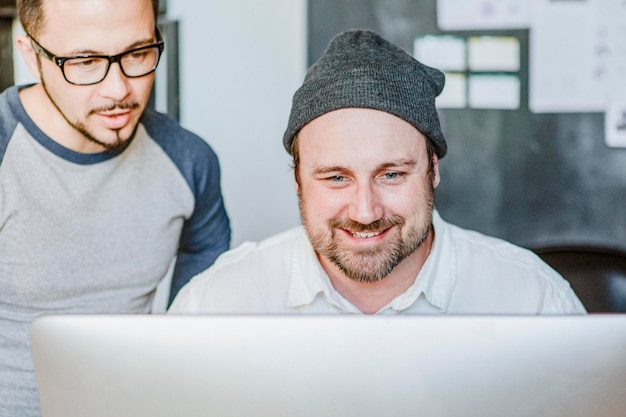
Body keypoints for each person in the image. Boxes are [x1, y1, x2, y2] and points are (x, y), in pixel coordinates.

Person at [168, 29, 585, 316]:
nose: (365, 212)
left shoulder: (532, 299)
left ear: (432, 170)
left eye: (391, 175)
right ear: (298, 179)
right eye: (336, 177)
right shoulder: (218, 303)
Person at [0, 0, 230, 415]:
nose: (119, 90)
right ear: (31, 56)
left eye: (138, 53)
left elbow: (204, 281)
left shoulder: (189, 161)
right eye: (85, 61)